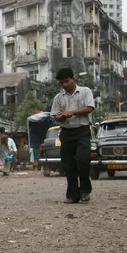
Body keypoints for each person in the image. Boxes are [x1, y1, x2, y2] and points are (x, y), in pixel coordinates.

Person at [50, 67, 95, 203]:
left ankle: (85, 190)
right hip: (66, 133)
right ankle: (73, 195)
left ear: (73, 78)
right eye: (61, 83)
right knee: (69, 165)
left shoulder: (85, 91)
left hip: (82, 131)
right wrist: (61, 117)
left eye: (66, 81)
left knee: (83, 159)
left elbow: (89, 108)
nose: (64, 85)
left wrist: (72, 113)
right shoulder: (58, 97)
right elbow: (55, 116)